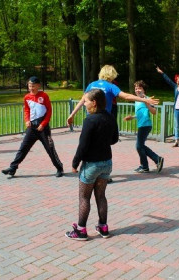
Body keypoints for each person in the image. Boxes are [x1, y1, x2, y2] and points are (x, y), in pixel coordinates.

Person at [65, 89, 119, 241]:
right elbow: (114, 139)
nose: (84, 104)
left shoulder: (90, 120)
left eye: (86, 101)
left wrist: (75, 163)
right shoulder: (110, 117)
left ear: (94, 103)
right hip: (107, 162)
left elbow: (83, 146)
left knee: (84, 197)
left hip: (91, 165)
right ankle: (103, 227)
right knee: (101, 196)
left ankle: (81, 230)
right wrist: (102, 141)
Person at [1, 76, 64, 177]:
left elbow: (49, 112)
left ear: (38, 86)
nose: (31, 88)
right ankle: (13, 168)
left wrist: (43, 124)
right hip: (32, 127)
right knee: (23, 148)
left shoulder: (44, 96)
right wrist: (27, 120)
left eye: (33, 86)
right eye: (29, 86)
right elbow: (26, 110)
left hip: (43, 128)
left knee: (50, 148)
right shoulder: (27, 97)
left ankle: (59, 168)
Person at [67, 65, 159, 126]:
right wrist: (145, 100)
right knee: (103, 146)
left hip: (90, 119)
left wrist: (72, 115)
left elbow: (82, 101)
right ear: (111, 75)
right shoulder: (111, 86)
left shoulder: (91, 84)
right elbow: (126, 96)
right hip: (103, 120)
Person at [123, 80, 164, 173]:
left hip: (146, 125)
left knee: (139, 146)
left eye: (139, 88)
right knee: (140, 146)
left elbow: (154, 112)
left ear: (144, 90)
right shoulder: (137, 100)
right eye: (136, 88)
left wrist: (146, 102)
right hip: (141, 125)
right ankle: (148, 164)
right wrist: (132, 117)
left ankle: (154, 160)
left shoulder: (148, 98)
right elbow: (141, 113)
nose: (137, 90)